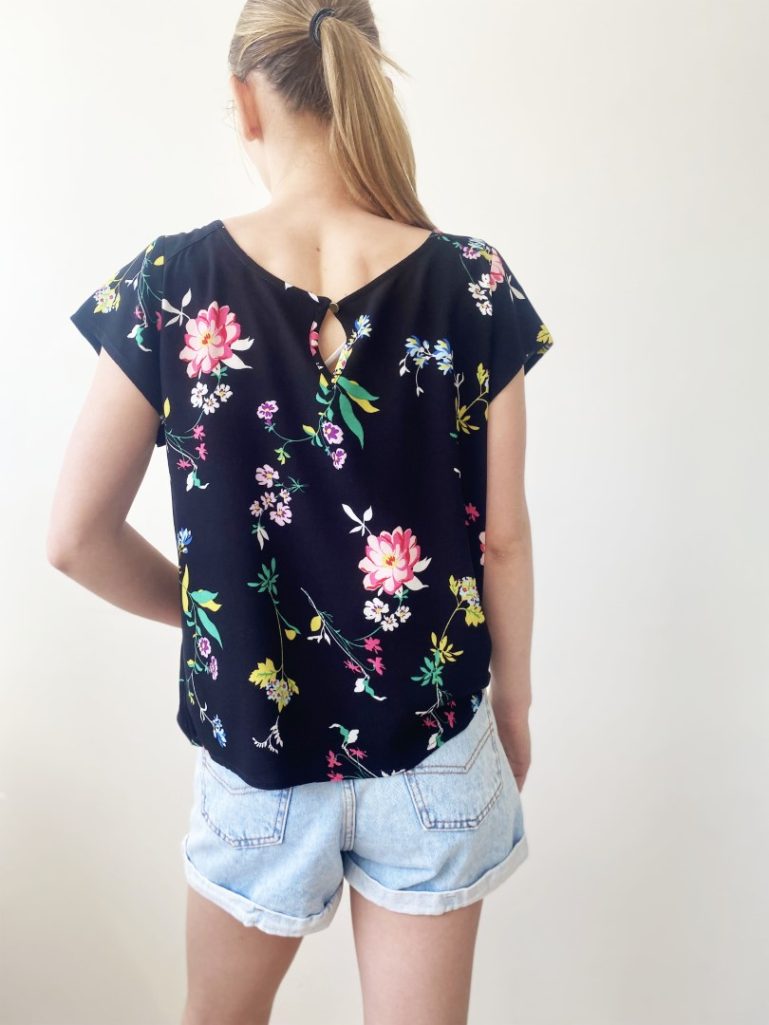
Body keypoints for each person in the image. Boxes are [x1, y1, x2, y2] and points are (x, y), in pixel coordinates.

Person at [48, 3, 555, 1023]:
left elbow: (73, 538)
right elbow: (502, 538)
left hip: (257, 751)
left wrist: (212, 614)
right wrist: (513, 705)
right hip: (435, 744)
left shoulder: (170, 284)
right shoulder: (475, 282)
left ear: (245, 101)